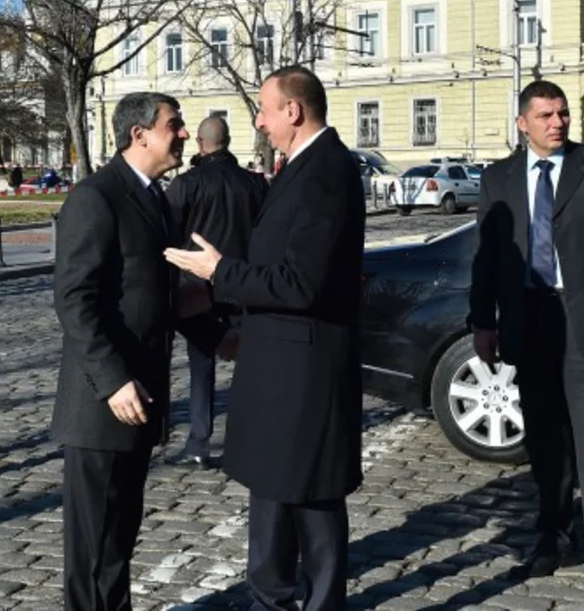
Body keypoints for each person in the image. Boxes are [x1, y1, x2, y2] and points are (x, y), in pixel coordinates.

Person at [165, 65, 365, 611]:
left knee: (313, 495)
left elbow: (301, 281)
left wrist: (219, 272)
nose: (258, 120)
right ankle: (270, 596)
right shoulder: (301, 167)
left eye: (264, 109)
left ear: (293, 112)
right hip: (278, 359)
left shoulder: (327, 172)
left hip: (306, 367)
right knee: (274, 487)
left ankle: (319, 602)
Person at [467, 80, 584, 605]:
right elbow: (487, 256)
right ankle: (552, 536)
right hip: (530, 322)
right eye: (545, 115)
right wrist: (483, 321)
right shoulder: (498, 178)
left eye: (563, 113)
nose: (558, 122)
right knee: (545, 445)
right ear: (522, 122)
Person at [51, 92, 229, 611]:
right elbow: (74, 300)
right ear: (140, 134)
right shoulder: (96, 197)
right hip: (102, 402)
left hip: (141, 395)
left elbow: (163, 294)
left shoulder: (155, 198)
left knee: (120, 534)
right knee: (91, 545)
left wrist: (218, 339)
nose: (183, 133)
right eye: (174, 125)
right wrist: (112, 380)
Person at [163, 115, 268, 469]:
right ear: (228, 140)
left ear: (200, 144)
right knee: (251, 364)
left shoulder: (186, 184)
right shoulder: (256, 184)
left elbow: (168, 237)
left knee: (201, 367)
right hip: (244, 282)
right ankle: (251, 437)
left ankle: (198, 442)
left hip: (199, 289)